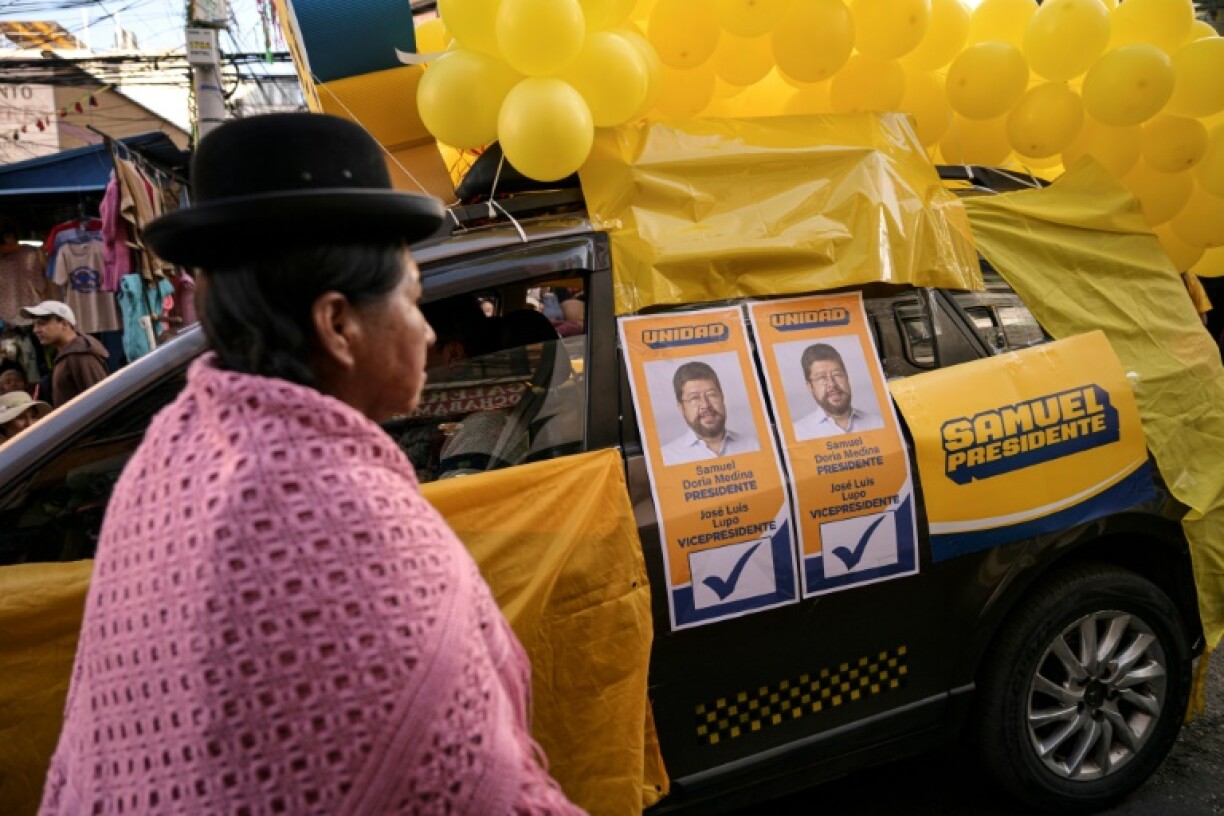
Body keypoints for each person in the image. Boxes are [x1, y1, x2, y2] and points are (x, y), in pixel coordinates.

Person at [40, 113, 582, 816]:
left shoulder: (171, 453)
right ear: (337, 324)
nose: (425, 330)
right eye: (415, 301)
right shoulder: (341, 511)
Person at [660, 360, 759, 464]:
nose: (705, 405)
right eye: (694, 398)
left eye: (711, 395)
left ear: (722, 398)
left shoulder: (755, 445)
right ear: (681, 407)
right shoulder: (666, 458)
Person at [20, 300, 108, 408]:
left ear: (64, 324)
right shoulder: (68, 354)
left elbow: (102, 400)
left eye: (42, 323)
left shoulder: (80, 355)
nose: (35, 330)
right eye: (35, 325)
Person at [793, 342, 884, 439]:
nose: (832, 384)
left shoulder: (879, 423)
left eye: (837, 375)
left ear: (847, 377)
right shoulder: (798, 433)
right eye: (822, 378)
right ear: (810, 386)